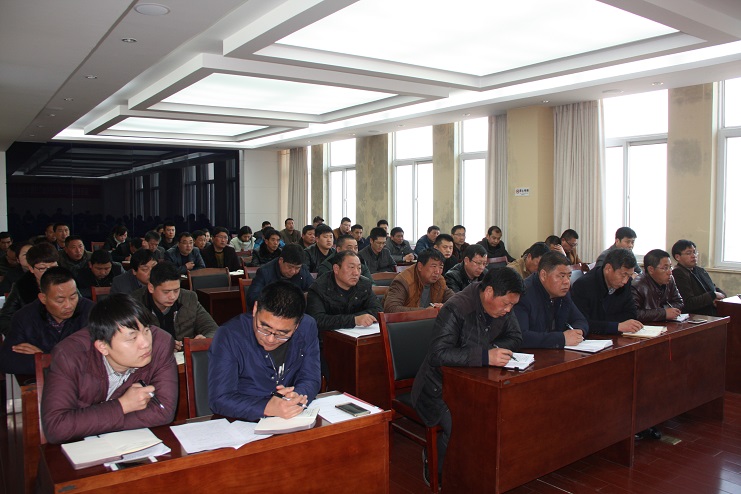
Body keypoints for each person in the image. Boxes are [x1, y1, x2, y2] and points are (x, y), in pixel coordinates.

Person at [411, 267, 524, 484]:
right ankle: (439, 467)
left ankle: (482, 470)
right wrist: (484, 356)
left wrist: (491, 351)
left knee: (503, 415)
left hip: (477, 384)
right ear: (489, 292)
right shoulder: (457, 308)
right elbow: (438, 354)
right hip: (437, 388)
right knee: (463, 425)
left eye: (513, 305)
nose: (509, 310)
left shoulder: (502, 307)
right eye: (506, 304)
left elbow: (516, 337)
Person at [40, 293, 178, 444]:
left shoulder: (161, 344)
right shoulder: (69, 356)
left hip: (130, 444)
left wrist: (88, 424)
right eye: (132, 338)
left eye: (146, 330)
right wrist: (123, 405)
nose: (146, 343)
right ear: (103, 347)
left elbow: (163, 410)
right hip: (80, 449)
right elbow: (56, 427)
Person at [208, 281, 321, 421]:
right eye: (264, 328)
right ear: (255, 309)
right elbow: (219, 399)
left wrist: (297, 396)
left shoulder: (307, 327)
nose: (270, 339)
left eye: (282, 333)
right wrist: (266, 407)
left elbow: (311, 377)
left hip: (289, 418)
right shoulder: (229, 335)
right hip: (243, 421)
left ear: (297, 325)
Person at [0, 267, 94, 375]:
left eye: (73, 297)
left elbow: (99, 358)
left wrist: (45, 358)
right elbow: (7, 361)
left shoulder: (91, 312)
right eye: (60, 300)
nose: (68, 305)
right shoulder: (25, 317)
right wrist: (63, 361)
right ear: (43, 298)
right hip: (43, 383)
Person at [307, 251, 382, 380]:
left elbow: (377, 310)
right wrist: (354, 320)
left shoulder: (364, 284)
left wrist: (355, 319)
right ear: (336, 269)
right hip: (327, 344)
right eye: (351, 267)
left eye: (359, 268)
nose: (356, 273)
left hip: (358, 340)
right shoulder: (319, 288)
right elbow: (317, 320)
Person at [132, 262, 217, 351]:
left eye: (176, 290)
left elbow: (212, 328)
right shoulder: (135, 303)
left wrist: (204, 339)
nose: (172, 297)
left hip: (183, 355)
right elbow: (131, 339)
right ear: (151, 288)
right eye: (166, 292)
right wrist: (160, 345)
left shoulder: (189, 298)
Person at [514, 251, 589, 348]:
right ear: (543, 275)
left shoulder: (563, 293)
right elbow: (521, 336)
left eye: (569, 276)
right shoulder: (524, 294)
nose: (566, 282)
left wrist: (577, 332)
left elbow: (580, 320)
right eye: (561, 276)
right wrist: (561, 339)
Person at [571, 248, 643, 334]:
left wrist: (606, 324)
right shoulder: (583, 285)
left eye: (629, 276)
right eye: (623, 275)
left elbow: (631, 314)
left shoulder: (626, 283)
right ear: (608, 269)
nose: (625, 281)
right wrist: (616, 326)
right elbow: (582, 323)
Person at [0, 242, 59, 336]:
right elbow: (5, 318)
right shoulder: (21, 286)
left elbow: (81, 310)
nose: (49, 272)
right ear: (31, 268)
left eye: (53, 267)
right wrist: (22, 337)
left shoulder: (66, 281)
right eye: (42, 268)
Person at [246, 244, 315, 310]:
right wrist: (276, 300)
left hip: (296, 312)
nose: (293, 271)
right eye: (290, 267)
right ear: (281, 260)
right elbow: (252, 298)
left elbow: (313, 290)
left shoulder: (303, 270)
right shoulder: (265, 272)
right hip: (272, 312)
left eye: (297, 268)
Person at [383, 249, 454, 313]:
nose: (437, 271)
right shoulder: (403, 281)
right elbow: (391, 308)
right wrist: (425, 312)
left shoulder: (440, 281)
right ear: (420, 266)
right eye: (433, 266)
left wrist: (443, 306)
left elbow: (455, 300)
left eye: (441, 267)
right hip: (406, 322)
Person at [671, 239, 725, 316]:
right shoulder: (677, 274)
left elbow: (714, 288)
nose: (693, 256)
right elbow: (688, 303)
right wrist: (713, 296)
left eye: (695, 252)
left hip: (711, 313)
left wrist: (721, 297)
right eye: (688, 253)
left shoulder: (700, 270)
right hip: (695, 316)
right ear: (677, 257)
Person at [631, 249, 684, 322]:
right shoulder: (637, 285)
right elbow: (634, 313)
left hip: (665, 323)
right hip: (646, 326)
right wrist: (663, 313)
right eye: (665, 268)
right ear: (651, 269)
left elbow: (679, 302)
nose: (670, 272)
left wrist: (664, 310)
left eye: (670, 267)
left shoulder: (670, 279)